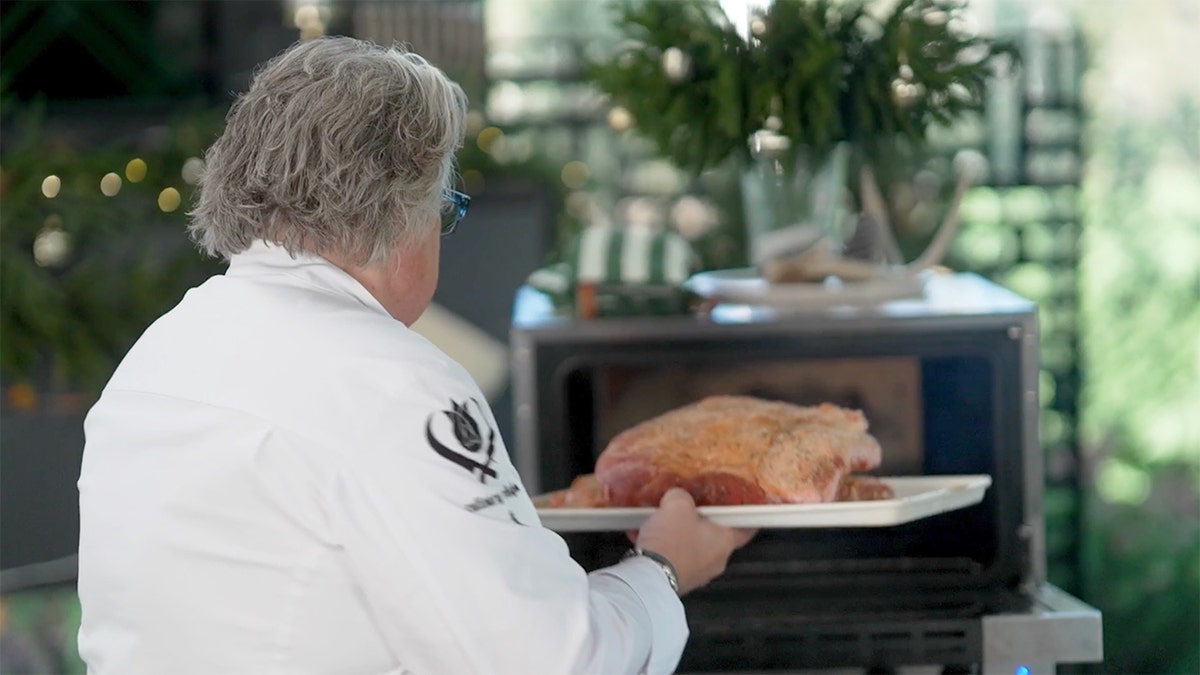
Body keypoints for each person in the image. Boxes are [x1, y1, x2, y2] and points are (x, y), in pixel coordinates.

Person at [76, 36, 755, 675]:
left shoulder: (158, 354)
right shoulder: (391, 382)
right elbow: (553, 660)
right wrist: (665, 566)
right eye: (445, 209)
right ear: (401, 212)